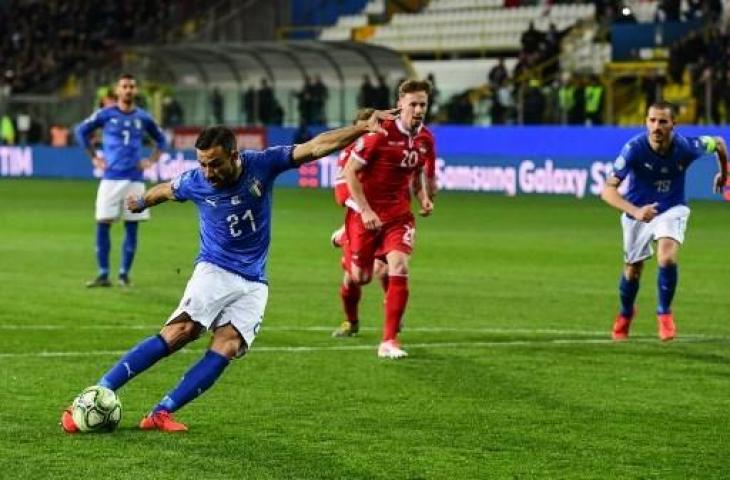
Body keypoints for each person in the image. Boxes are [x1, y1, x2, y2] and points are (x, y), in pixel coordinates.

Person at [60, 109, 396, 433]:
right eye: (203, 164)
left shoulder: (262, 164)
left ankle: (161, 412)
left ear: (235, 156)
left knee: (228, 345)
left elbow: (316, 146)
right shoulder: (196, 181)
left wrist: (363, 127)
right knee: (182, 332)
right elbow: (165, 190)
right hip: (214, 269)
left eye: (215, 164)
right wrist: (143, 201)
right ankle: (93, 395)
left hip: (254, 280)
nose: (208, 172)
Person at [601, 101, 727, 342]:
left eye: (662, 122)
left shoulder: (687, 147)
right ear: (646, 122)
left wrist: (724, 172)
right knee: (632, 271)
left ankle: (664, 313)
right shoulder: (634, 149)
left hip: (671, 207)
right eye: (652, 121)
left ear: (673, 125)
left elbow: (719, 143)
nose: (656, 126)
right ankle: (626, 313)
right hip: (638, 210)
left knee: (666, 257)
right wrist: (635, 211)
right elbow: (608, 191)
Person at [335, 79, 436, 359]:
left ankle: (389, 340)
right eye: (413, 104)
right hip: (366, 216)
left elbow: (415, 173)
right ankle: (346, 236)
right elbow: (351, 173)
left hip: (399, 216)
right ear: (400, 102)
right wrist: (365, 210)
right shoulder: (379, 133)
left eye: (423, 104)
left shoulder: (425, 138)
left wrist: (423, 197)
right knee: (361, 277)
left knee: (399, 266)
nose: (418, 109)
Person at [75, 73, 166, 288]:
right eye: (124, 86)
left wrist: (151, 160)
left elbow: (161, 139)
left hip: (134, 178)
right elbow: (80, 131)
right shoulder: (105, 114)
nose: (128, 90)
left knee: (132, 225)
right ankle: (103, 273)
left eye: (131, 87)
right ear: (117, 90)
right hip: (110, 178)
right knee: (103, 223)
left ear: (135, 91)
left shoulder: (143, 117)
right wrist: (94, 157)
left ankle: (124, 274)